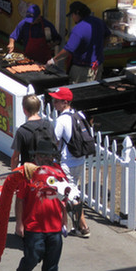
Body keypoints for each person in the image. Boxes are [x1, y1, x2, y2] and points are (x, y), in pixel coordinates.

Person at [10, 138, 69, 271]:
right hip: (33, 226)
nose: (47, 159)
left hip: (54, 226)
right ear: (37, 156)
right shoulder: (28, 172)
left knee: (52, 264)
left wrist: (65, 221)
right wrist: (19, 223)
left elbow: (64, 198)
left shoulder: (58, 171)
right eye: (43, 156)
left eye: (49, 156)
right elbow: (20, 199)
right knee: (31, 258)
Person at [50, 86, 90, 238]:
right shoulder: (80, 115)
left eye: (57, 100)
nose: (54, 103)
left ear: (65, 102)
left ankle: (84, 227)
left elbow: (54, 141)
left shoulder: (61, 120)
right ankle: (78, 227)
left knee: (71, 194)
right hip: (79, 160)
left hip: (66, 163)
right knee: (73, 191)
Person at [47, 1, 107, 83]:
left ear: (77, 13)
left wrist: (53, 60)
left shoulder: (78, 29)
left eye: (73, 14)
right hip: (98, 66)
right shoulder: (98, 22)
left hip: (82, 70)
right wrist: (100, 49)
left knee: (79, 93)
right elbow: (107, 36)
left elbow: (68, 50)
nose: (72, 17)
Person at [10, 94, 50, 169]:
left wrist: (13, 173)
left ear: (24, 110)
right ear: (38, 108)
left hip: (29, 172)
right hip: (45, 171)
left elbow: (15, 157)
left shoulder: (22, 131)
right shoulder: (48, 126)